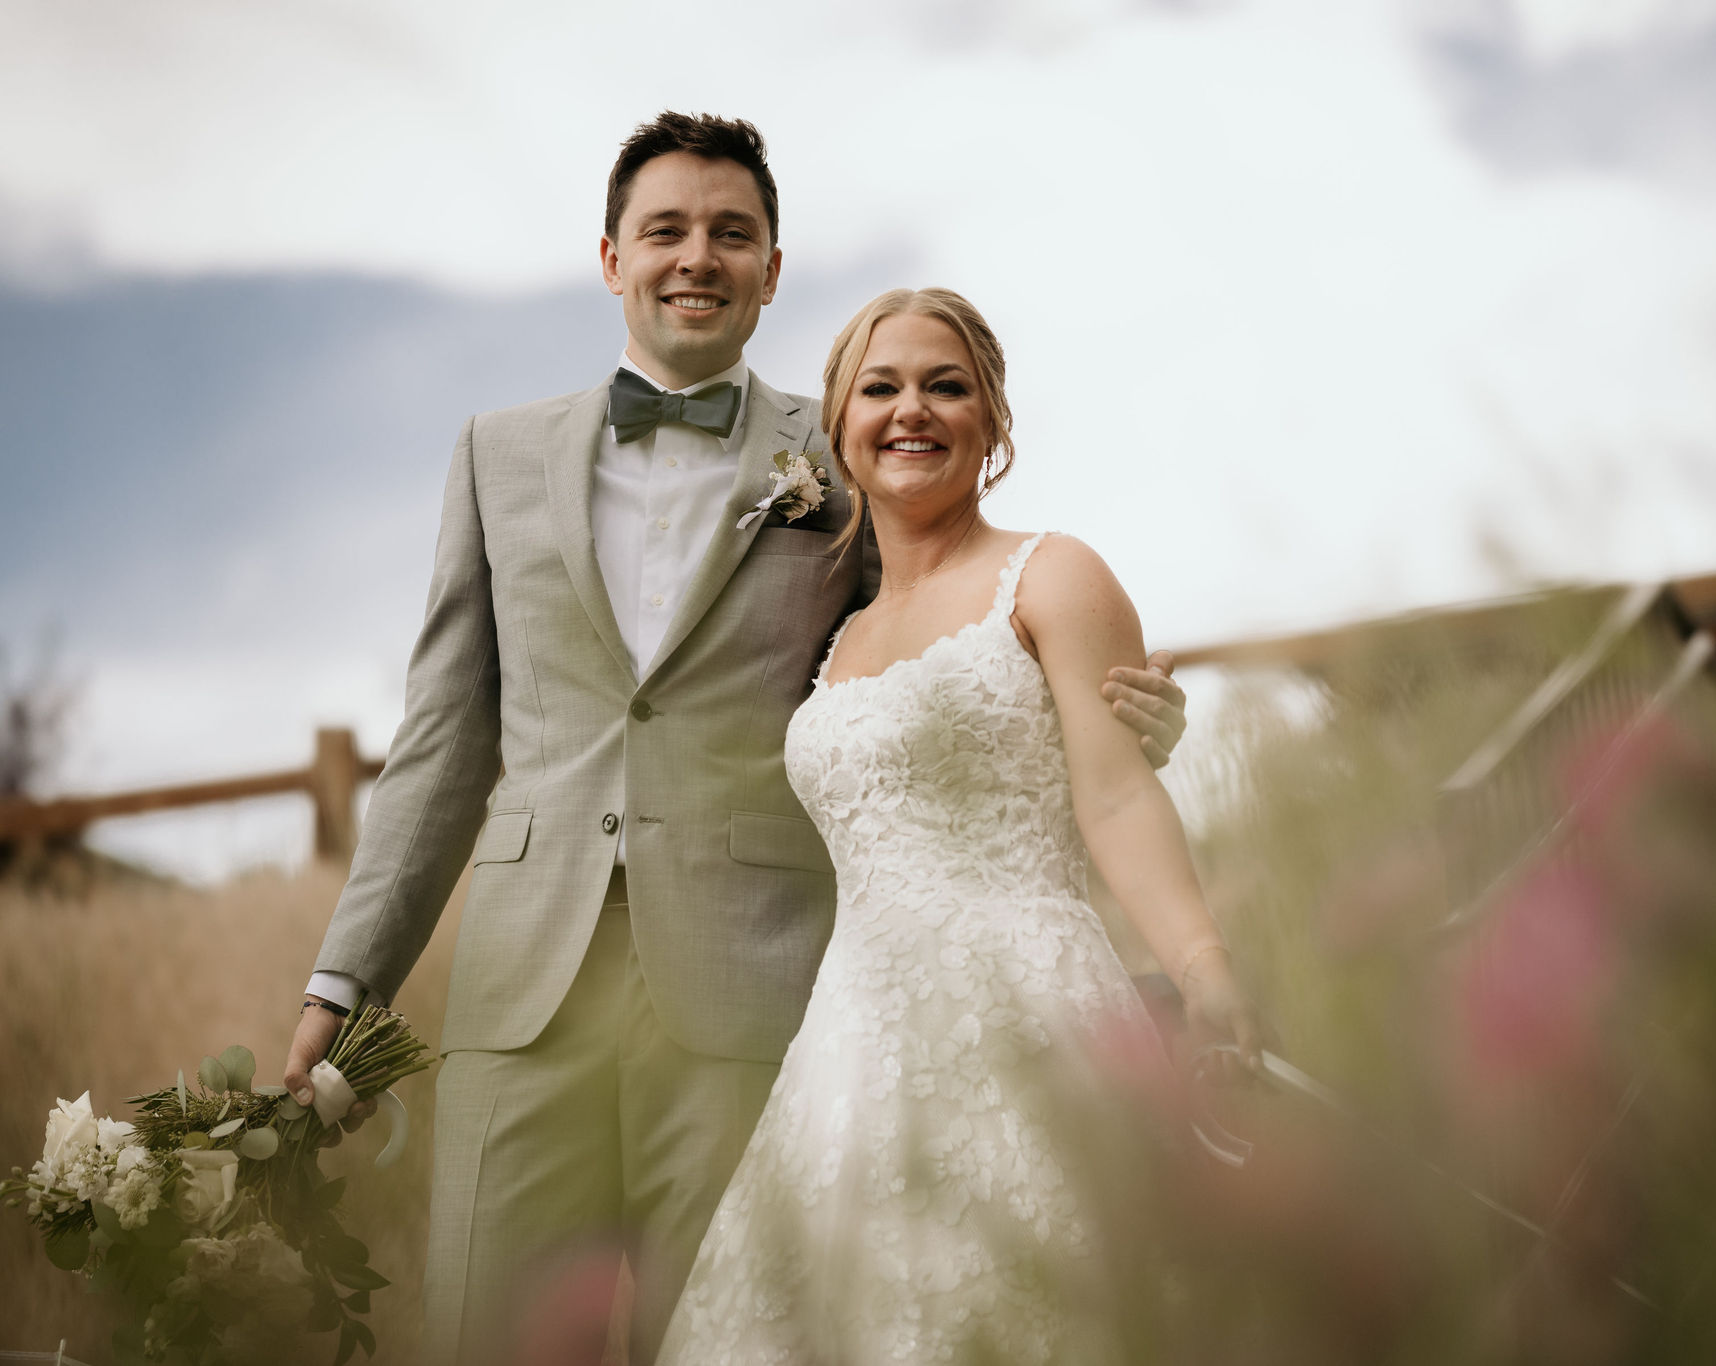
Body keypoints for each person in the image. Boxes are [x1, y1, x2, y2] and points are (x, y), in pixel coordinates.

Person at [275, 115, 1189, 1365]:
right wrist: (346, 977)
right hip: (519, 990)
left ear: (769, 266)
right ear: (610, 257)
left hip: (750, 992)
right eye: (665, 230)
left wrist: (1133, 716)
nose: (695, 256)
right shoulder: (495, 455)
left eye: (730, 233)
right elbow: (442, 739)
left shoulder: (851, 441)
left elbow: (965, 624)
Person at [659, 288, 1262, 1364]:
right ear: (839, 424)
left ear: (991, 423)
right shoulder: (831, 634)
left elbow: (1116, 795)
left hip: (1028, 1008)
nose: (912, 410)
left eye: (947, 386)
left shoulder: (1052, 573)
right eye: (880, 388)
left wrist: (1201, 963)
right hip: (848, 1048)